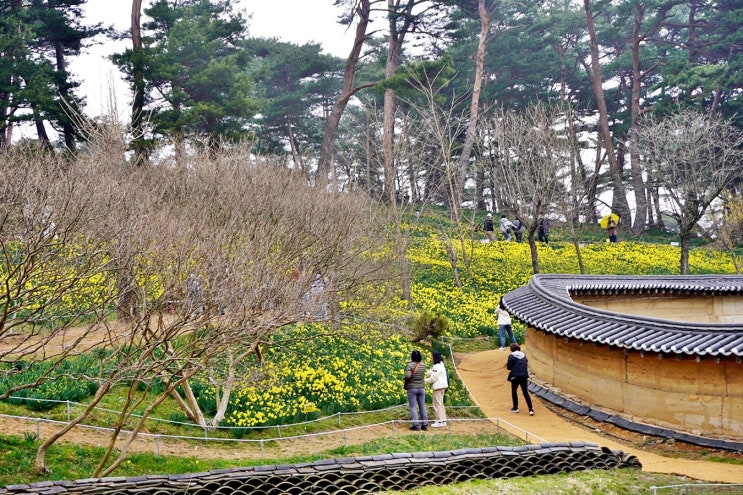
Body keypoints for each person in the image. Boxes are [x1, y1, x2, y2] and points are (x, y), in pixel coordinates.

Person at [506, 343, 534, 416]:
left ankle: (515, 408)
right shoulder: (524, 355)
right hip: (524, 376)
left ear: (511, 349)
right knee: (525, 393)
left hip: (515, 376)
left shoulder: (511, 356)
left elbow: (509, 367)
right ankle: (531, 409)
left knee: (514, 391)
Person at [404, 350, 428, 431]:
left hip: (412, 388)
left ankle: (416, 425)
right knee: (422, 406)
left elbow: (408, 376)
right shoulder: (423, 365)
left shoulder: (409, 365)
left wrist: (404, 379)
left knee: (413, 407)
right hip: (421, 388)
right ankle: (425, 424)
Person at [425, 351, 449, 427]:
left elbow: (433, 378)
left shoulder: (436, 366)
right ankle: (443, 420)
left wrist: (425, 380)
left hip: (438, 387)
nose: (431, 358)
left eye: (431, 356)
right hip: (442, 387)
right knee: (440, 404)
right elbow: (430, 372)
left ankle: (439, 421)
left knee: (437, 404)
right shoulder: (440, 365)